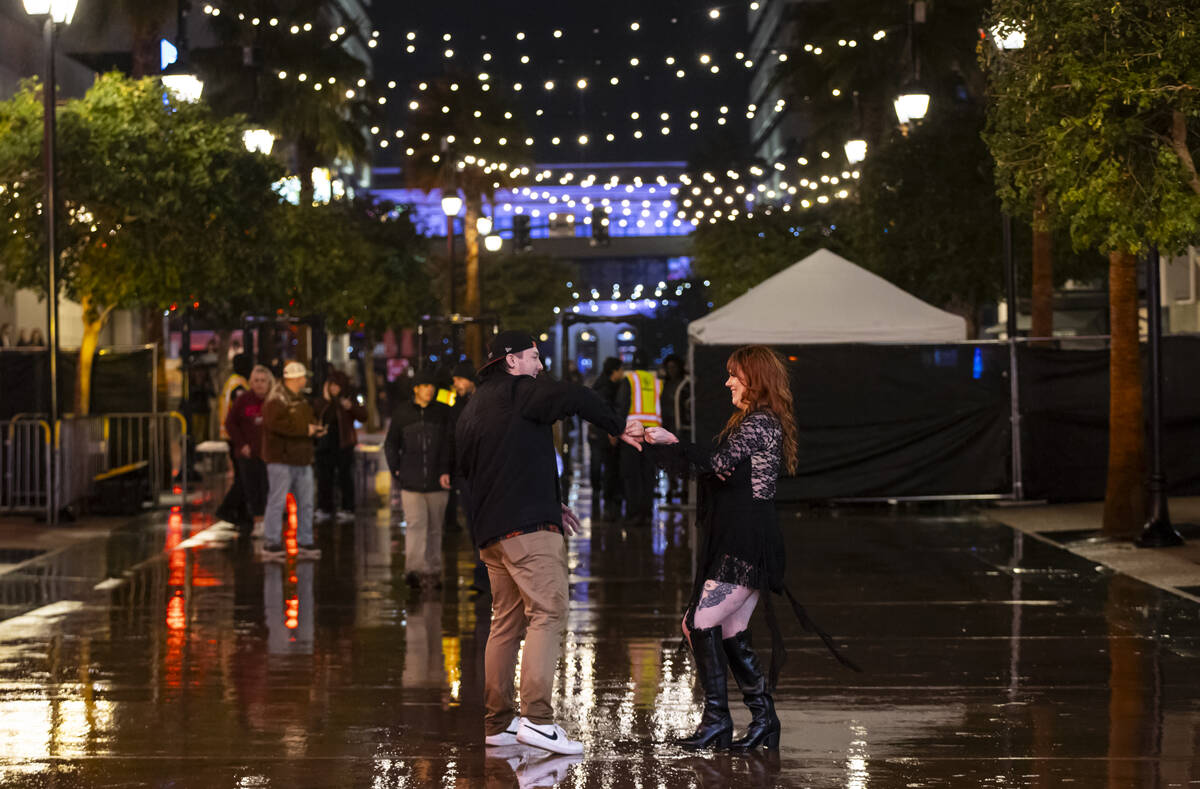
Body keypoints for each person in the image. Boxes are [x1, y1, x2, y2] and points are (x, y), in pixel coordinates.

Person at [645, 345, 858, 751]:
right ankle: (763, 721)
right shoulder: (756, 421)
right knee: (729, 629)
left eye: (734, 375)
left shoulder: (760, 423)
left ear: (754, 380)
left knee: (697, 623)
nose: (728, 382)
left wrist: (672, 443)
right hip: (745, 535)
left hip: (746, 539)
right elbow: (720, 468)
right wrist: (673, 445)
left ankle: (718, 721)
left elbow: (716, 463)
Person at [455, 330, 644, 756]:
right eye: (534, 357)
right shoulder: (523, 391)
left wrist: (548, 502)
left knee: (505, 621)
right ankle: (537, 721)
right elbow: (577, 397)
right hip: (527, 531)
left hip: (492, 534)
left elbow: (475, 468)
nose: (541, 366)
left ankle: (497, 724)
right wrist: (618, 426)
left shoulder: (474, 407)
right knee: (548, 611)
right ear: (511, 361)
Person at [384, 368, 454, 591]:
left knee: (435, 528)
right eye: (425, 386)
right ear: (416, 389)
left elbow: (448, 445)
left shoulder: (442, 413)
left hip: (437, 482)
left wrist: (446, 470)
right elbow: (391, 443)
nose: (429, 391)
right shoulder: (402, 413)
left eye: (432, 387)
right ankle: (413, 570)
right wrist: (396, 469)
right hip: (411, 482)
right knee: (415, 526)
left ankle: (432, 571)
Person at [261, 361, 323, 562]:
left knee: (305, 503)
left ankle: (304, 540)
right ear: (295, 379)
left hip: (301, 459)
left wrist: (313, 429)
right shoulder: (277, 399)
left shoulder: (300, 400)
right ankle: (271, 542)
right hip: (282, 459)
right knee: (277, 501)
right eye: (303, 377)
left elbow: (303, 422)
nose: (305, 380)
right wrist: (306, 431)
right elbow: (276, 425)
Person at [449, 361, 489, 595]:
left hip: (481, 475)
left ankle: (486, 575)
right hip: (466, 477)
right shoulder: (458, 406)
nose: (455, 385)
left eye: (458, 380)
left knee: (483, 527)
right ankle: (482, 575)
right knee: (474, 528)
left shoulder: (483, 404)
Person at [313, 369, 367, 523]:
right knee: (325, 478)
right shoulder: (323, 401)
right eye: (332, 386)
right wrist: (325, 398)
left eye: (337, 386)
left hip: (344, 444)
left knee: (345, 477)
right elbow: (316, 414)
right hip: (325, 445)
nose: (334, 389)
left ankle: (347, 508)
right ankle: (325, 507)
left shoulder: (348, 400)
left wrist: (350, 407)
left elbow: (363, 416)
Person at [225, 365, 273, 537]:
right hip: (248, 454)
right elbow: (230, 423)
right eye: (256, 381)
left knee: (269, 487)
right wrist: (241, 444)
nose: (259, 384)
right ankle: (258, 522)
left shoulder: (274, 400)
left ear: (269, 383)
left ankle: (270, 521)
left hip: (269, 454)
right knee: (252, 487)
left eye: (263, 381)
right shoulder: (243, 400)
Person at [615, 354, 662, 525]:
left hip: (633, 433)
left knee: (631, 474)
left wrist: (617, 430)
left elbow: (622, 405)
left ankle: (633, 513)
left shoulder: (630, 379)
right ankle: (647, 512)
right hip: (653, 434)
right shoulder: (657, 382)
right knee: (648, 475)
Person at [214, 354, 254, 528]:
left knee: (242, 476)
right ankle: (228, 508)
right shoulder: (239, 385)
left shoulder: (232, 381)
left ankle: (241, 512)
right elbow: (241, 412)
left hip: (231, 436)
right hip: (236, 438)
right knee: (243, 477)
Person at [588, 357, 625, 520]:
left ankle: (603, 495)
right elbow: (605, 413)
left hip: (598, 433)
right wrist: (611, 432)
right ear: (614, 371)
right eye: (621, 370)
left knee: (602, 465)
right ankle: (608, 501)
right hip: (603, 434)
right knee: (609, 467)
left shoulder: (602, 385)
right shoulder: (606, 388)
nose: (623, 373)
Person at [659, 354, 691, 502]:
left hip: (680, 428)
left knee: (683, 461)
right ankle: (672, 488)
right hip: (667, 427)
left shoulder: (684, 385)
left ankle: (683, 489)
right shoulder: (664, 385)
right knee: (670, 460)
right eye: (669, 367)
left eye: (673, 367)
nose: (671, 370)